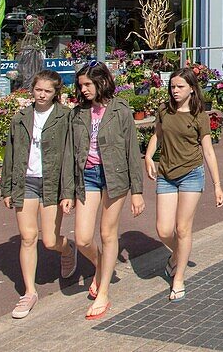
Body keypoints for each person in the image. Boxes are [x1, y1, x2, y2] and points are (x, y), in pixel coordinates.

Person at [0, 70, 77, 319]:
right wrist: (7, 187)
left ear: (56, 93)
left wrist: (68, 191)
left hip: (52, 183)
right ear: (31, 90)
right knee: (27, 237)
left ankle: (67, 249)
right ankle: (30, 291)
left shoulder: (65, 117)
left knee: (50, 241)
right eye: (38, 90)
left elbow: (69, 155)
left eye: (47, 91)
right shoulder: (20, 117)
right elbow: (10, 153)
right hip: (26, 182)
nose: (41, 95)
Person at [71, 62, 145, 320]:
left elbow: (132, 152)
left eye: (88, 84)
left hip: (115, 177)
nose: (84, 89)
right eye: (81, 85)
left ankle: (103, 292)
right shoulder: (78, 112)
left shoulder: (120, 110)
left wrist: (137, 190)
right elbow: (71, 152)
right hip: (88, 176)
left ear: (102, 82)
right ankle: (102, 265)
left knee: (107, 232)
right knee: (81, 238)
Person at [144, 68, 223, 302]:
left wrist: (217, 185)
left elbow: (208, 151)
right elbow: (157, 135)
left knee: (182, 228)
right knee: (163, 230)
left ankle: (178, 278)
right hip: (166, 173)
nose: (175, 91)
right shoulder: (164, 111)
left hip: (191, 173)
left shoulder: (199, 115)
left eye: (180, 87)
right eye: (172, 87)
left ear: (191, 88)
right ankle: (179, 252)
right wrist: (149, 156)